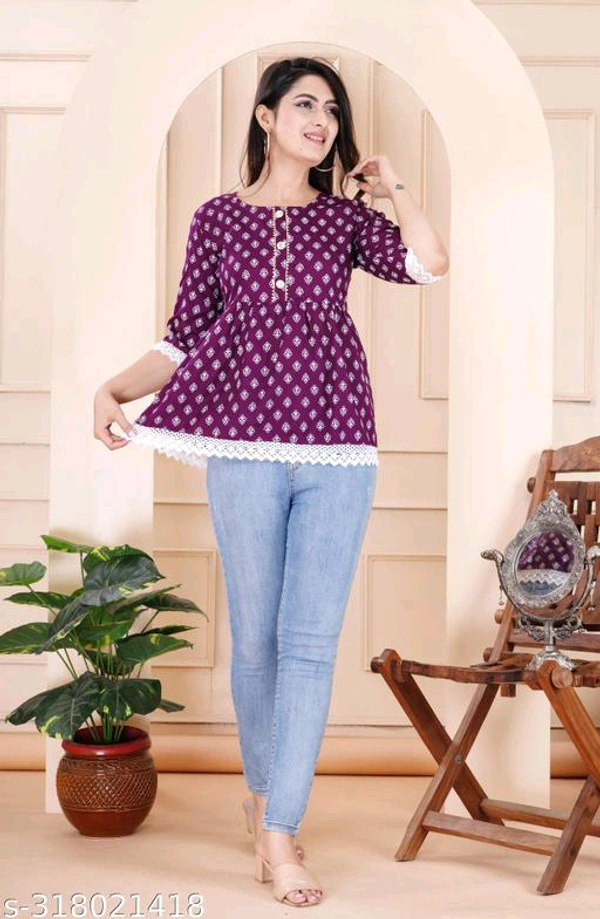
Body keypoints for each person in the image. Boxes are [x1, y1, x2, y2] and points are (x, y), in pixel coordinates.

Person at [94, 56, 448, 908]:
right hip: (243, 447)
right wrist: (113, 388)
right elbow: (182, 336)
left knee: (311, 642)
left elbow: (430, 263)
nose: (321, 121)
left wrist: (395, 185)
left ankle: (281, 829)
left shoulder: (346, 220)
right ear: (265, 117)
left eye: (332, 110)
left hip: (339, 448)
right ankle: (266, 805)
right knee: (255, 639)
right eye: (304, 105)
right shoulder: (217, 219)